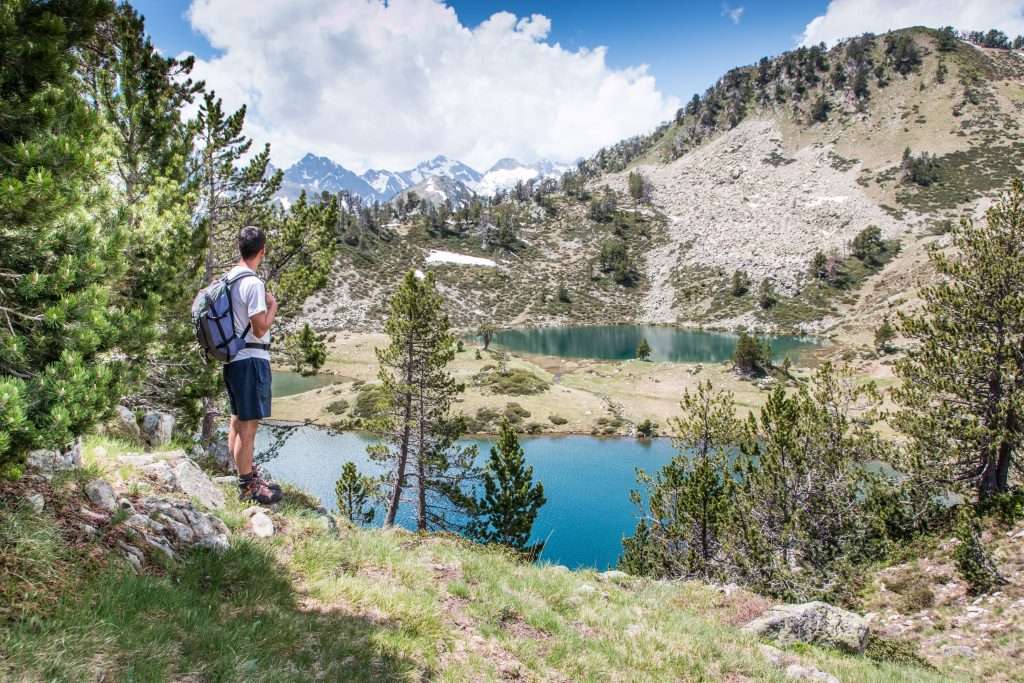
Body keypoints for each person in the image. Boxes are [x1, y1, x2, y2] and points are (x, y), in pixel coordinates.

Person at [222, 225, 282, 504]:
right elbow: (259, 328)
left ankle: (244, 476)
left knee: (236, 422)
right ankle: (249, 487)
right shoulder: (253, 283)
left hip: (233, 359)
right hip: (251, 359)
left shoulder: (229, 279)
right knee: (248, 428)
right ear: (262, 251)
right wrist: (273, 308)